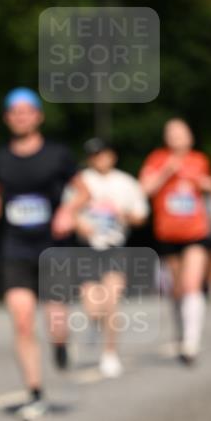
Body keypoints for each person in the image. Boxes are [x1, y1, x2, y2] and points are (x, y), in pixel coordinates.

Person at [0, 88, 84, 421]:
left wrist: (68, 210)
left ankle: (60, 343)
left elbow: (83, 190)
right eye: (15, 112)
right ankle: (35, 392)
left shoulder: (58, 154)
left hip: (53, 247)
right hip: (16, 248)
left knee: (56, 322)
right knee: (23, 320)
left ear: (38, 116)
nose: (21, 117)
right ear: (7, 118)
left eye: (27, 111)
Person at [65, 138, 149, 377]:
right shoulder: (80, 181)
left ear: (112, 156)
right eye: (95, 155)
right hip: (87, 249)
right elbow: (67, 211)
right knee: (93, 308)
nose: (100, 158)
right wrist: (79, 224)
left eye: (103, 153)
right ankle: (94, 324)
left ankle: (110, 353)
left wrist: (126, 216)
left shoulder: (126, 183)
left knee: (112, 301)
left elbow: (141, 215)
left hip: (115, 247)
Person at [139, 118, 211, 363]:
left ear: (190, 137)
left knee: (192, 284)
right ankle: (181, 333)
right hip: (168, 234)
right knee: (177, 289)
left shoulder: (199, 160)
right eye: (171, 133)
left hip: (195, 233)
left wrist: (205, 183)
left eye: (181, 133)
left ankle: (191, 343)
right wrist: (166, 171)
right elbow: (144, 189)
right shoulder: (157, 159)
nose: (176, 137)